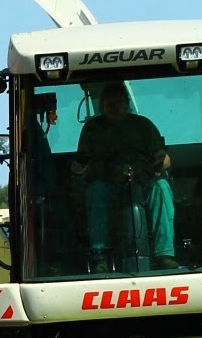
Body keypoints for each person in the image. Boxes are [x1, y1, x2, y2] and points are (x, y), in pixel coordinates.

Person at [74, 81, 175, 271]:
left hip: (143, 183)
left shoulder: (144, 125)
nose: (115, 107)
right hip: (107, 185)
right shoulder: (92, 129)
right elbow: (80, 163)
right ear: (101, 106)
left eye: (119, 103)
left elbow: (163, 157)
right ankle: (100, 255)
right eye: (110, 104)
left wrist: (158, 165)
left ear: (127, 103)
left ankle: (165, 254)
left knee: (161, 188)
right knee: (96, 191)